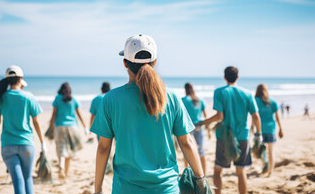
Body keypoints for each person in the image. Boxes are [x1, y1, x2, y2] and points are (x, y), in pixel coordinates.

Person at [91, 34, 211, 194]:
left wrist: (98, 188)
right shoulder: (171, 96)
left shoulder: (111, 99)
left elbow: (103, 148)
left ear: (125, 63)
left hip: (125, 188)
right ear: (154, 62)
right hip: (166, 188)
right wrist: (201, 179)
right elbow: (186, 142)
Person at [198, 66, 261, 194]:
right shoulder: (247, 93)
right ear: (237, 77)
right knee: (241, 171)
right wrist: (259, 134)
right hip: (243, 136)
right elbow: (256, 116)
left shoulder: (219, 92)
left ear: (224, 77)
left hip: (224, 137)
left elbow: (219, 116)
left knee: (218, 170)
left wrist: (202, 122)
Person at [0, 65, 46, 194]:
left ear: (8, 81)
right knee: (27, 178)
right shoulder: (29, 97)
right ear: (20, 79)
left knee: (17, 180)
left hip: (7, 145)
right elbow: (36, 122)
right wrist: (43, 142)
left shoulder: (1, 97)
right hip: (27, 144)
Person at [49, 82, 89, 178]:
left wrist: (50, 127)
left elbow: (54, 114)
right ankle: (65, 174)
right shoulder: (74, 99)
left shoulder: (58, 98)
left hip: (59, 126)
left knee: (60, 147)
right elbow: (79, 114)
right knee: (70, 150)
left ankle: (61, 165)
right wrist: (85, 127)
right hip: (72, 127)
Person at [255, 84, 283, 176]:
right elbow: (278, 117)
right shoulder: (273, 102)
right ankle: (270, 171)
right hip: (271, 129)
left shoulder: (256, 101)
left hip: (260, 129)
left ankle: (265, 167)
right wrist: (280, 129)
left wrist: (252, 127)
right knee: (271, 151)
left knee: (262, 150)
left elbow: (254, 116)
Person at [181, 83, 208, 175]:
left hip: (188, 126)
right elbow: (205, 114)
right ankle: (203, 173)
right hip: (199, 125)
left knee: (186, 148)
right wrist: (208, 129)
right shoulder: (199, 99)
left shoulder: (183, 100)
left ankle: (187, 170)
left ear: (185, 89)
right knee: (201, 150)